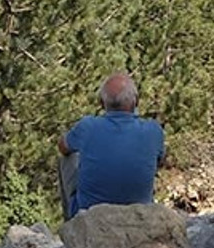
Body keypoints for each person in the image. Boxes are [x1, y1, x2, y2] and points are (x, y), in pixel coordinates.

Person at [57, 72, 164, 219]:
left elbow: (62, 147)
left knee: (67, 157)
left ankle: (71, 223)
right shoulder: (154, 131)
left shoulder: (87, 127)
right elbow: (159, 161)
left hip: (90, 214)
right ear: (136, 102)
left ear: (102, 103)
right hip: (139, 213)